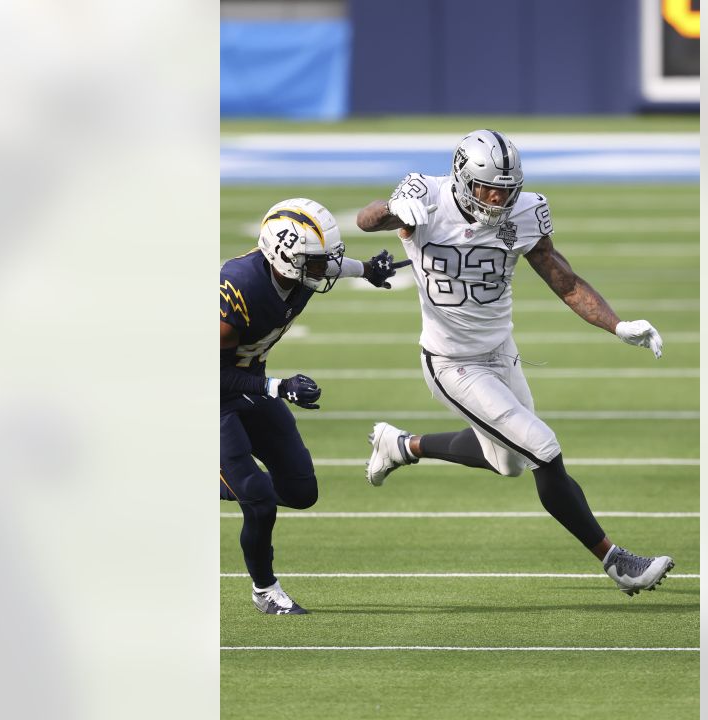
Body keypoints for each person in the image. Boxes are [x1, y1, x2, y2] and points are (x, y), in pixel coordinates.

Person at [356, 129, 674, 596]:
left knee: (507, 462)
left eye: (507, 188)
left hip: (501, 352)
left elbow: (563, 279)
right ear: (463, 178)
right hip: (451, 362)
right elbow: (367, 221)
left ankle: (402, 446)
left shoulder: (525, 212)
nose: (497, 197)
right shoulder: (425, 193)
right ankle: (616, 561)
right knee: (542, 449)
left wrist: (617, 325)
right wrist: (391, 212)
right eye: (488, 187)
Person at [221, 198, 400, 614]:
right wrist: (277, 386)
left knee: (301, 492)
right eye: (315, 263)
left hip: (250, 385)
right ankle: (265, 591)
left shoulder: (298, 267)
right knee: (260, 498)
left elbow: (331, 264)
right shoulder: (239, 288)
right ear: (283, 258)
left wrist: (369, 271)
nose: (324, 270)